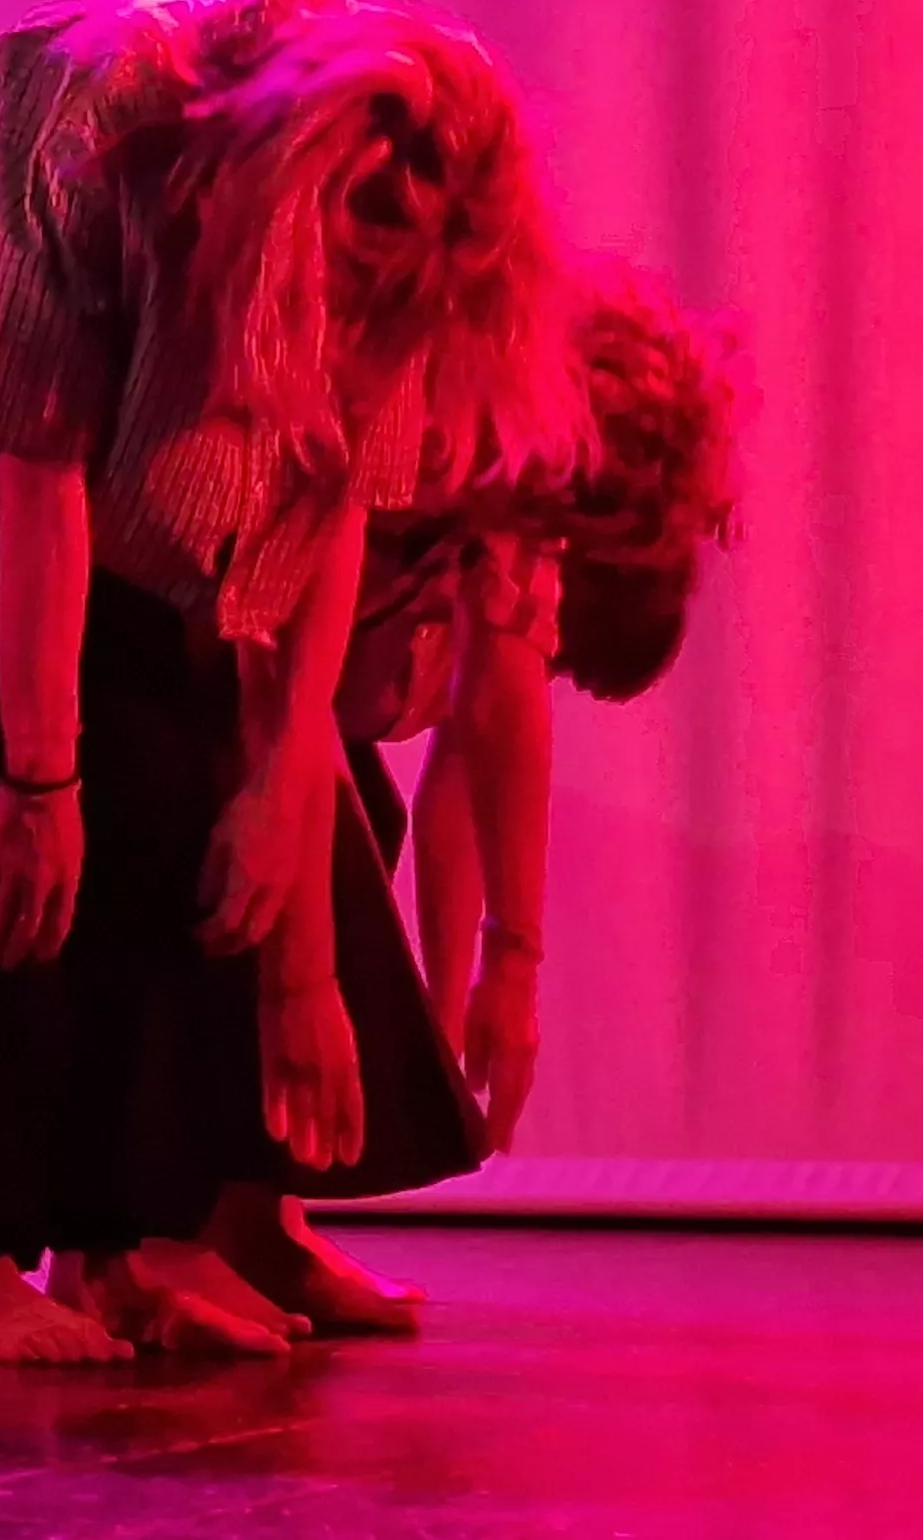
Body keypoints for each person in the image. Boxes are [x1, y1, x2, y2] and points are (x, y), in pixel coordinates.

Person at [0, 0, 583, 1363]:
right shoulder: (89, 124)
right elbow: (36, 466)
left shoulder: (403, 238)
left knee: (168, 794)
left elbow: (327, 505)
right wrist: (36, 777)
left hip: (91, 472)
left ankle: (113, 1248)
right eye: (350, 261)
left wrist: (276, 789)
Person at [160, 258, 744, 1334]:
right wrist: (329, 978)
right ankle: (157, 1235)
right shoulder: (421, 407)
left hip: (274, 672)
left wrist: (486, 973)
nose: (542, 575)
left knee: (355, 831)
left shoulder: (507, 491)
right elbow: (284, 648)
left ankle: (254, 1218)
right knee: (279, 863)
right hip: (197, 632)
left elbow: (487, 727)